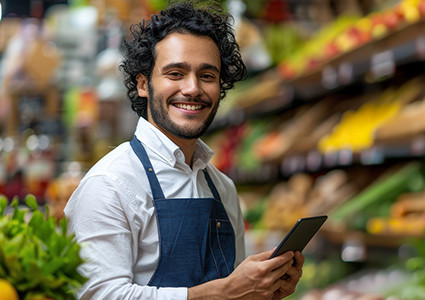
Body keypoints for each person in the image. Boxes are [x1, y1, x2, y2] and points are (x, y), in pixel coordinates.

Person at [64, 1, 304, 299]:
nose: (192, 89)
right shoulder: (110, 184)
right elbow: (98, 295)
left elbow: (235, 293)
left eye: (207, 76)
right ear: (143, 84)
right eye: (175, 73)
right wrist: (224, 291)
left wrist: (262, 290)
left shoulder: (223, 188)